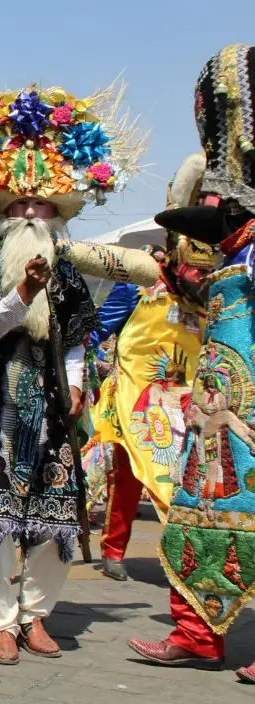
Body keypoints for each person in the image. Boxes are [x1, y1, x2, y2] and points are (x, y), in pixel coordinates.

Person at [0, 83, 143, 665]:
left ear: (57, 214)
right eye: (19, 206)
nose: (29, 213)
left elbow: (75, 337)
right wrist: (22, 291)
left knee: (56, 515)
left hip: (48, 408)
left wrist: (76, 384)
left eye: (41, 206)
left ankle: (36, 616)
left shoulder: (69, 271)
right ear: (3, 212)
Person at [129, 44, 255, 684]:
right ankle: (196, 634)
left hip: (245, 418)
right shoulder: (232, 257)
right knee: (199, 514)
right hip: (215, 420)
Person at [89, 154, 214, 582]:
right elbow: (102, 326)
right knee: (127, 472)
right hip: (137, 395)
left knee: (188, 477)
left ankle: (185, 550)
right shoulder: (140, 280)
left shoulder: (211, 290)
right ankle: (113, 550)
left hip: (189, 398)